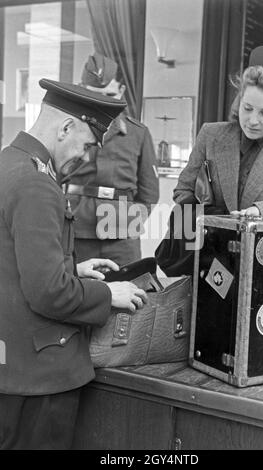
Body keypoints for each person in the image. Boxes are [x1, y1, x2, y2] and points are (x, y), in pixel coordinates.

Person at [0, 78, 148, 450]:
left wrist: (72, 270)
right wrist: (107, 293)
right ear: (66, 127)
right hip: (39, 375)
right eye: (86, 146)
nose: (85, 158)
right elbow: (49, 293)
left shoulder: (8, 163)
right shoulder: (36, 184)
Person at [173, 46, 263, 218]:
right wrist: (206, 216)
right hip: (208, 241)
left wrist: (260, 210)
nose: (252, 120)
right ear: (239, 100)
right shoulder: (210, 134)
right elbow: (183, 190)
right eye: (247, 108)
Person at [66, 53, 160, 266]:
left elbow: (149, 192)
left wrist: (130, 223)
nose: (101, 103)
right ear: (81, 89)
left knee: (130, 292)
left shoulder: (139, 133)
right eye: (92, 95)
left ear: (121, 92)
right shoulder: (67, 130)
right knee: (77, 294)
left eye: (109, 94)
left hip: (122, 237)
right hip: (75, 229)